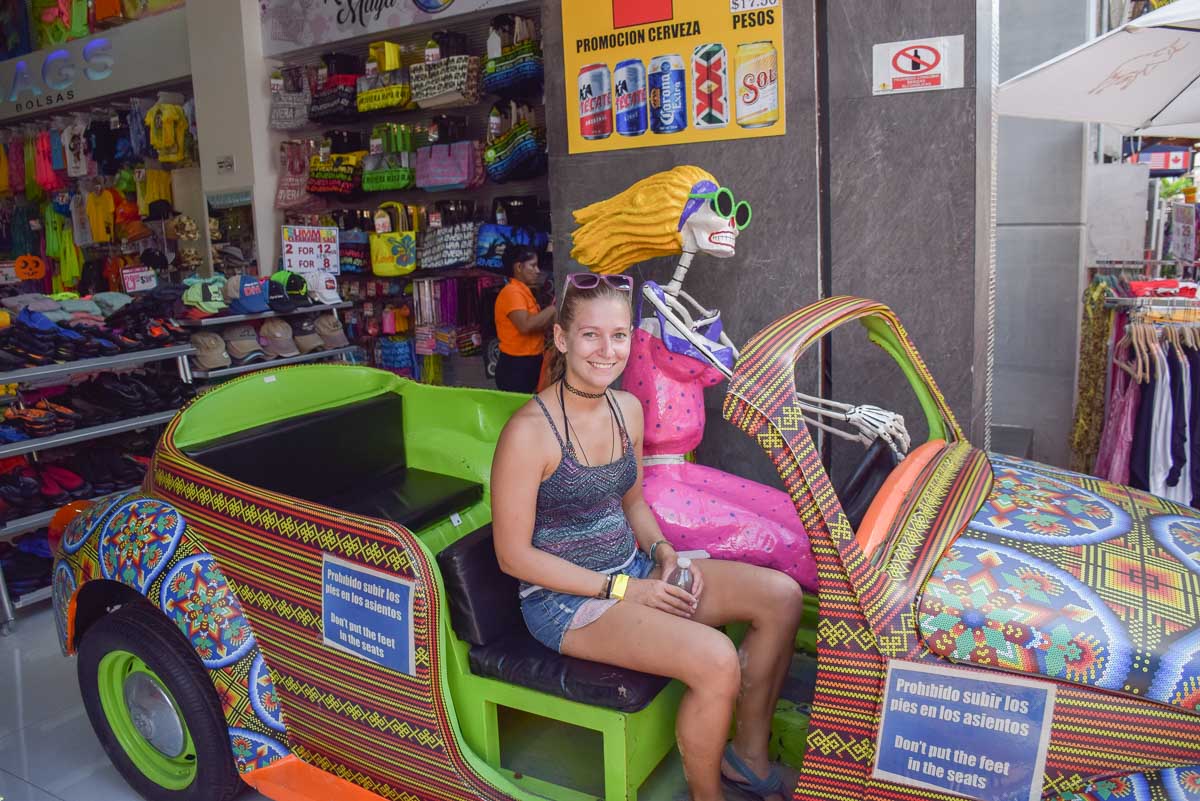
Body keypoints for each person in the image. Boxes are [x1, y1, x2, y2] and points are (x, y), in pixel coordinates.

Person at [490, 273, 805, 801]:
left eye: (619, 336)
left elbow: (632, 502)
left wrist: (661, 553)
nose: (606, 350)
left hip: (634, 572)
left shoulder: (627, 410)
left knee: (782, 597)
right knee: (715, 658)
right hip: (566, 603)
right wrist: (624, 591)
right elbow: (512, 556)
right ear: (563, 340)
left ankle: (747, 758)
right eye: (590, 335)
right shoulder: (529, 432)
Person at [494, 245, 554, 393]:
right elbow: (526, 325)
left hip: (529, 363)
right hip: (516, 367)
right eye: (532, 266)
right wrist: (553, 309)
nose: (537, 271)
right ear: (519, 267)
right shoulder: (511, 292)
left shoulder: (524, 291)